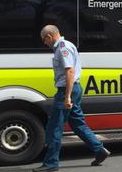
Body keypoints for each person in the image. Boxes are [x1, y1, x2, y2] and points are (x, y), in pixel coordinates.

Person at [33, 25, 110, 172]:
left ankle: (51, 164)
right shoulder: (65, 46)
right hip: (72, 89)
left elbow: (69, 71)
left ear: (49, 36)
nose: (45, 43)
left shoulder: (62, 47)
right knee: (77, 124)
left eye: (44, 40)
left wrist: (67, 96)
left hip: (66, 91)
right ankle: (100, 150)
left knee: (54, 127)